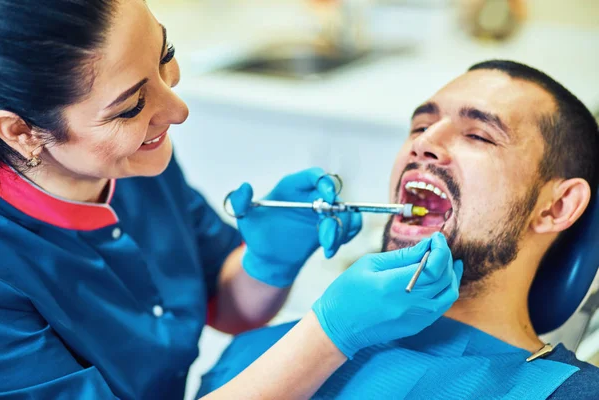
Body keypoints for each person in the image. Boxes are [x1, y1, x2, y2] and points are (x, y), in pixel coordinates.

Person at [0, 1, 465, 399]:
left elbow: (222, 305)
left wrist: (266, 261)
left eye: (165, 55)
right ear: (21, 132)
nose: (178, 111)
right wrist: (332, 333)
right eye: (131, 107)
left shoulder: (132, 164)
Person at [198, 60, 599, 399]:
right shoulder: (258, 354)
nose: (423, 142)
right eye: (419, 126)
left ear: (557, 207)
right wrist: (324, 332)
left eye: (478, 134)